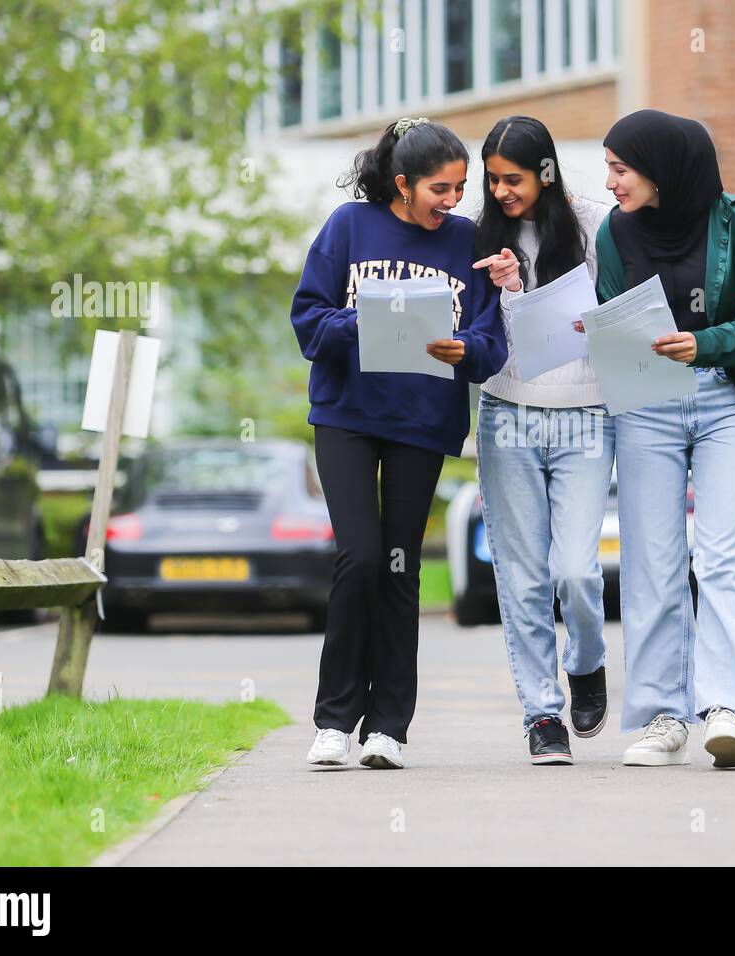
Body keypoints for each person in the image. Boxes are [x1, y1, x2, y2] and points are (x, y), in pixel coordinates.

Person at [291, 118, 507, 769]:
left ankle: (388, 726)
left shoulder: (472, 241)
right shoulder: (347, 227)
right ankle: (334, 719)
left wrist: (462, 346)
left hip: (421, 422)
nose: (453, 200)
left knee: (398, 566)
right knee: (358, 558)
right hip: (347, 416)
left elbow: (492, 348)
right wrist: (370, 320)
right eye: (440, 188)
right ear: (402, 182)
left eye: (461, 187)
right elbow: (309, 322)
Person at [593, 109, 735, 769]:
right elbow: (615, 317)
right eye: (610, 167)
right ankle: (662, 716)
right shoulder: (614, 232)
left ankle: (726, 707)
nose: (611, 180)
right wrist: (602, 338)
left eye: (621, 168)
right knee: (651, 559)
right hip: (647, 404)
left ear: (663, 168)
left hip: (725, 398)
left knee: (723, 552)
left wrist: (702, 343)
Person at [469, 116, 615, 766]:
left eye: (515, 179)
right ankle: (542, 715)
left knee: (576, 573)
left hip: (586, 416)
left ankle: (586, 663)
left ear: (546, 172)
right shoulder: (480, 238)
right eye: (493, 179)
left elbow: (624, 307)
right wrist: (505, 291)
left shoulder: (593, 223)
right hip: (509, 416)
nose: (502, 192)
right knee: (523, 580)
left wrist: (596, 317)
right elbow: (483, 338)